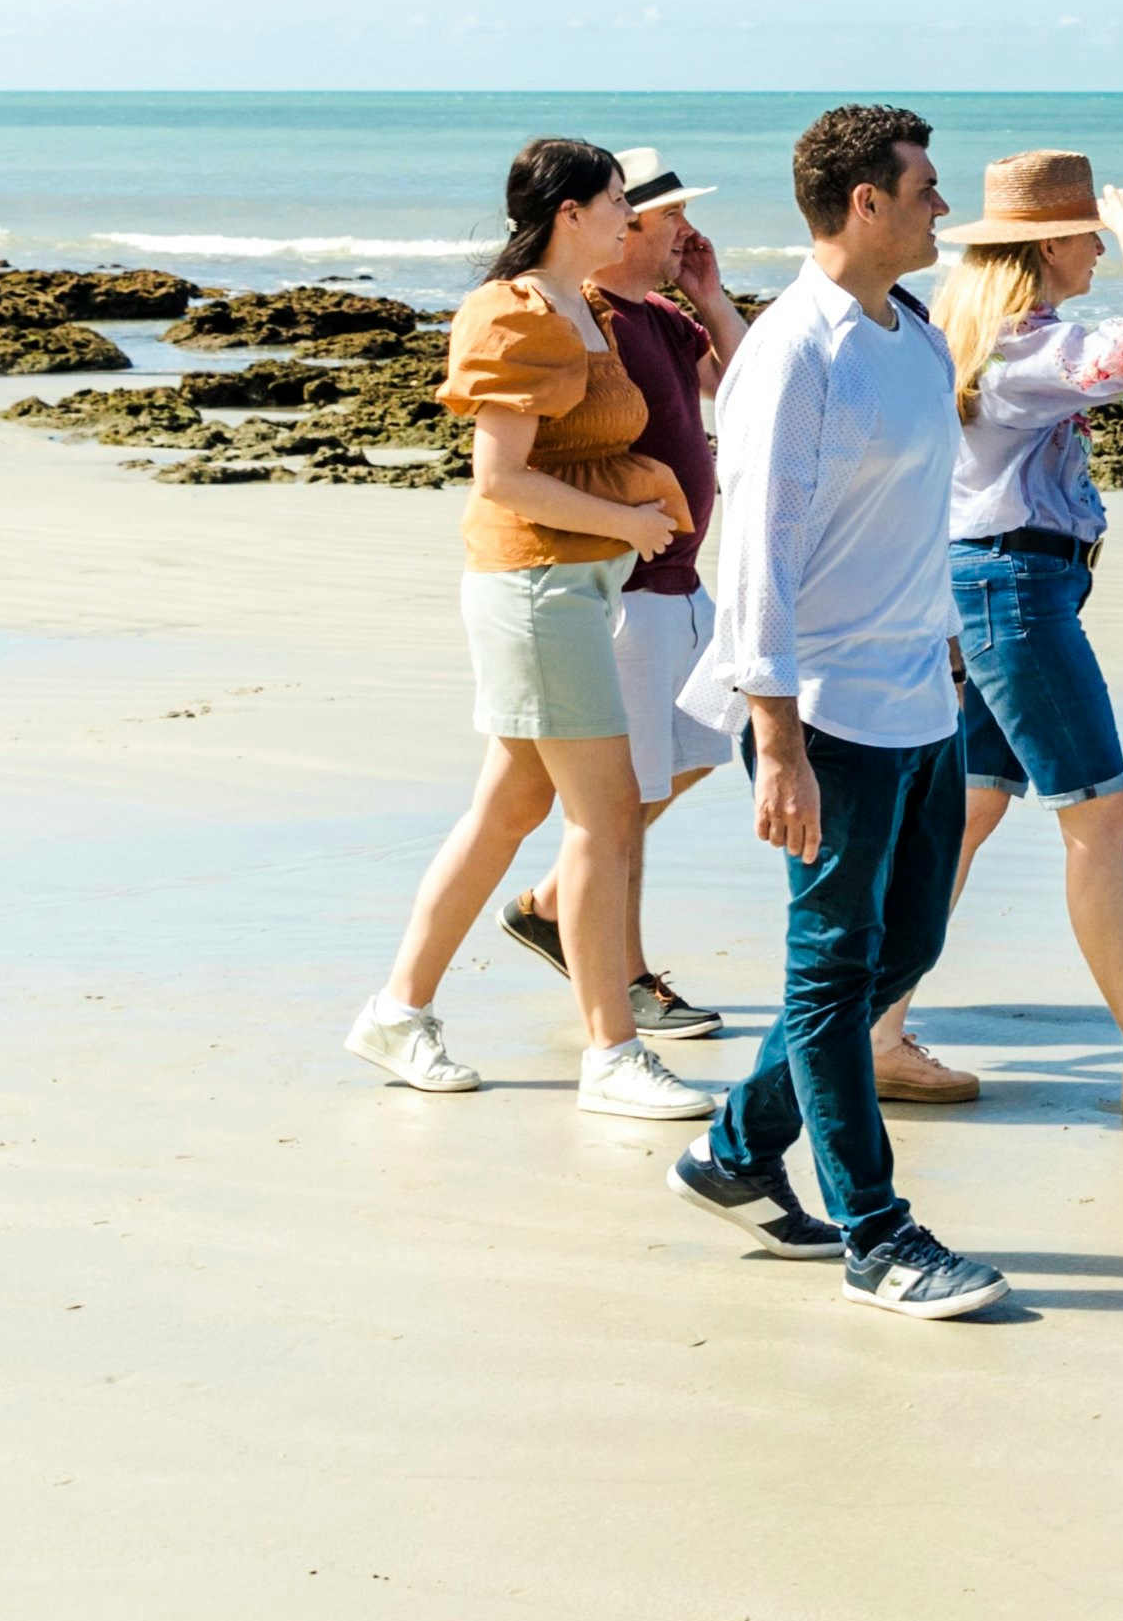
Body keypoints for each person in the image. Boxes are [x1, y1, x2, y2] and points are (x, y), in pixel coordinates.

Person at [663, 104, 1016, 1321]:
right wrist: (774, 740)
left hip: (923, 696)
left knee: (903, 950)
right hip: (824, 713)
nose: (941, 209)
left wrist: (959, 660)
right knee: (830, 975)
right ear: (863, 202)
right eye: (924, 189)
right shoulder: (790, 354)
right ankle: (880, 1233)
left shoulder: (913, 338)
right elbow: (753, 549)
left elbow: (922, 527)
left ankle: (730, 1150)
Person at [344, 135, 714, 1118]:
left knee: (509, 813)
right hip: (537, 589)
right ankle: (612, 1054)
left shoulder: (578, 306)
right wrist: (631, 523)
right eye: (615, 204)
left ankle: (397, 1011)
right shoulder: (511, 316)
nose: (629, 219)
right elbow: (499, 476)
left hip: (575, 588)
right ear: (571, 216)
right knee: (600, 819)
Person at [884, 151, 1123, 1117]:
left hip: (995, 585)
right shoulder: (1025, 354)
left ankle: (879, 1028)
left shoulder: (983, 340)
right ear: (1047, 247)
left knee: (972, 810)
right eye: (1092, 238)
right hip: (1014, 588)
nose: (1102, 253)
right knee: (1100, 816)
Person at [501, 151, 736, 1044]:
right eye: (669, 215)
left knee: (697, 745)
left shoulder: (667, 317)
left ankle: (556, 905)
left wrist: (710, 297)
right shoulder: (590, 316)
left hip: (682, 577)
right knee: (618, 799)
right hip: (626, 581)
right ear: (620, 224)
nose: (685, 230)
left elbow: (747, 393)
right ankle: (624, 972)